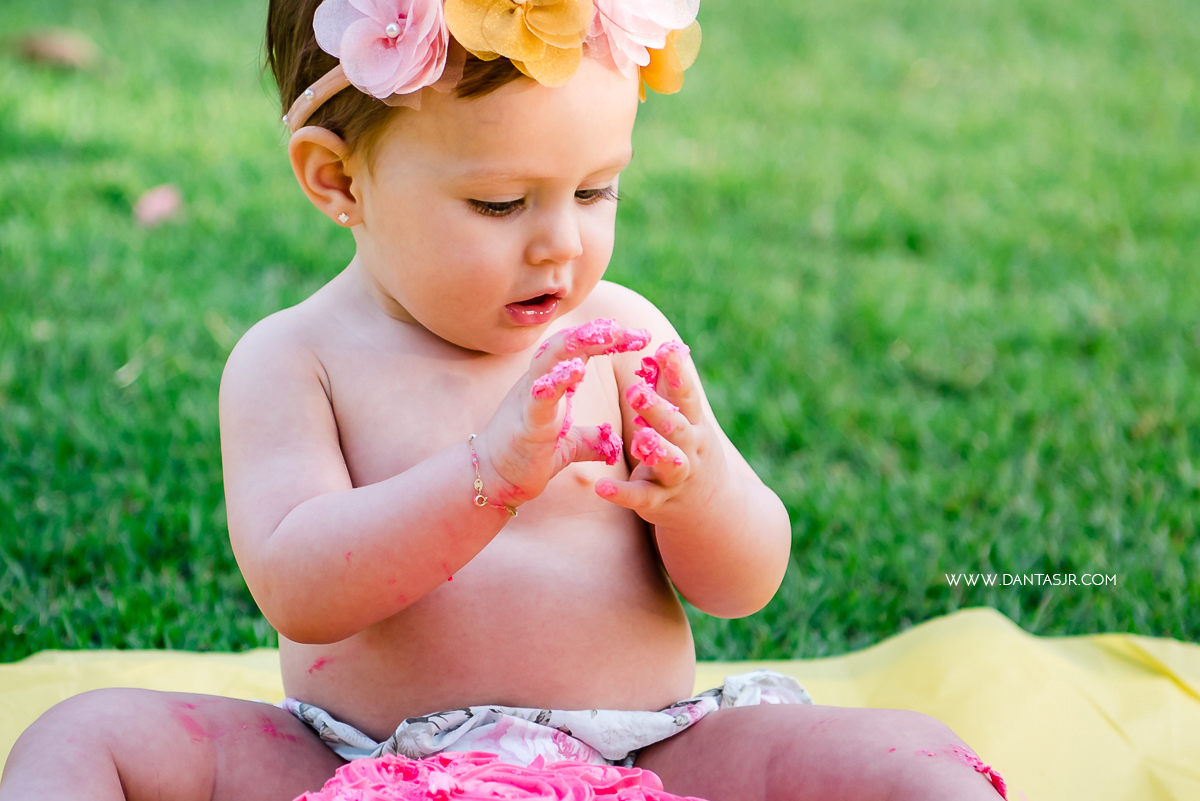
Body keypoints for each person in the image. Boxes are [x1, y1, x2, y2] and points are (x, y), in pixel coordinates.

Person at [0, 0, 1008, 798]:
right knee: (87, 738)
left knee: (908, 759)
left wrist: (699, 492)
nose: (561, 243)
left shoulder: (624, 336)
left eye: (595, 189)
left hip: (643, 758)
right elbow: (299, 587)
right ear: (337, 181)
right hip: (356, 762)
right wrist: (484, 478)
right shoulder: (295, 358)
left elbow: (745, 582)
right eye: (499, 203)